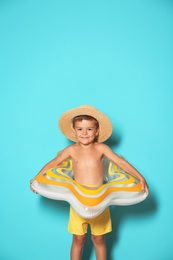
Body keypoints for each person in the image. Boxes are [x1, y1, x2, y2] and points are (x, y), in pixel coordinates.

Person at [30, 105, 149, 260]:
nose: (84, 133)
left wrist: (140, 178)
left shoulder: (101, 148)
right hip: (77, 199)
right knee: (78, 239)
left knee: (99, 239)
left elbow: (120, 163)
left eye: (89, 129)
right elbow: (53, 164)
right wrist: (37, 178)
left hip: (100, 200)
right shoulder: (71, 150)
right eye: (80, 129)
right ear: (74, 130)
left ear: (97, 130)